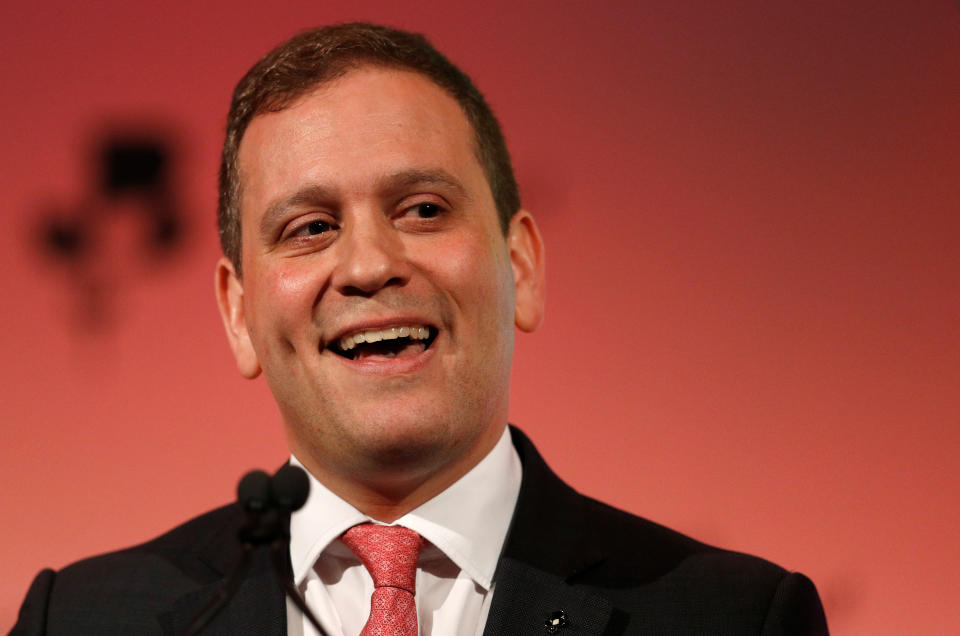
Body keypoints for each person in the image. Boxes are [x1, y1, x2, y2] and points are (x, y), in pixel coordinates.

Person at [11, 23, 828, 635]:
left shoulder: (731, 617)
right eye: (309, 227)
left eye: (423, 210)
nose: (369, 264)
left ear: (522, 267)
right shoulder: (81, 619)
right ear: (238, 314)